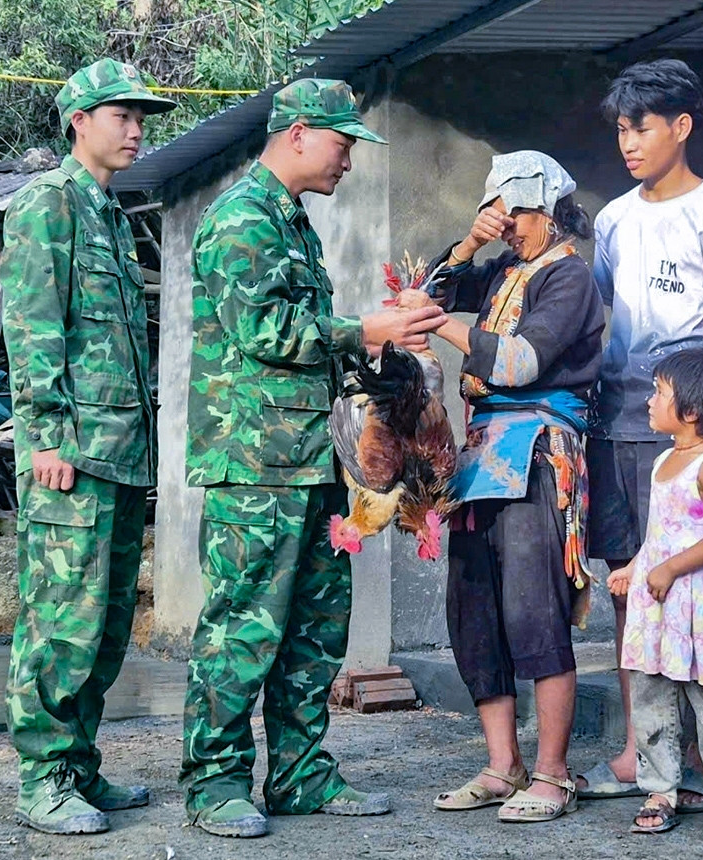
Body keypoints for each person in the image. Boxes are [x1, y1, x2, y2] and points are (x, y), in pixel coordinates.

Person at [179, 79, 446, 839]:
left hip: (311, 461)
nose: (350, 161)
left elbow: (311, 342)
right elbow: (266, 332)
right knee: (243, 628)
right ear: (298, 133)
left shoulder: (290, 222)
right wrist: (365, 327)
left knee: (314, 629)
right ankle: (216, 782)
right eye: (342, 143)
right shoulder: (240, 220)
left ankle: (298, 774)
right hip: (254, 466)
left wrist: (382, 351)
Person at [0, 58, 177, 835]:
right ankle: (42, 778)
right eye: (121, 116)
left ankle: (78, 766)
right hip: (69, 456)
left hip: (119, 455)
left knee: (103, 629)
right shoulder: (48, 204)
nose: (137, 130)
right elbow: (34, 328)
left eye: (142, 118)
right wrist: (46, 435)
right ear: (79, 121)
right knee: (60, 625)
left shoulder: (109, 210)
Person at [402, 151, 604, 823]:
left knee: (533, 608)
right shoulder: (500, 271)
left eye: (515, 214)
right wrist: (468, 243)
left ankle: (552, 771)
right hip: (482, 457)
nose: (508, 227)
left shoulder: (569, 278)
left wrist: (438, 325)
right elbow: (429, 293)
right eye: (500, 216)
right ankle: (502, 764)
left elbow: (519, 362)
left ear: (547, 212)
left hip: (541, 453)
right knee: (475, 607)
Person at [580, 57, 703, 809]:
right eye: (621, 129)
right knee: (629, 584)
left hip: (674, 432)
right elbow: (593, 326)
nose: (629, 142)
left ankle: (693, 755)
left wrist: (688, 428)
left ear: (681, 127)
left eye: (642, 127)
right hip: (613, 425)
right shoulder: (614, 219)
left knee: (681, 586)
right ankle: (640, 750)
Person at [606, 349, 703, 839]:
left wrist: (669, 568)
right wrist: (635, 567)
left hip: (701, 605)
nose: (650, 401)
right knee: (651, 698)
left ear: (690, 411)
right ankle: (659, 788)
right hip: (661, 607)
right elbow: (661, 534)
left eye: (659, 393)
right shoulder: (664, 461)